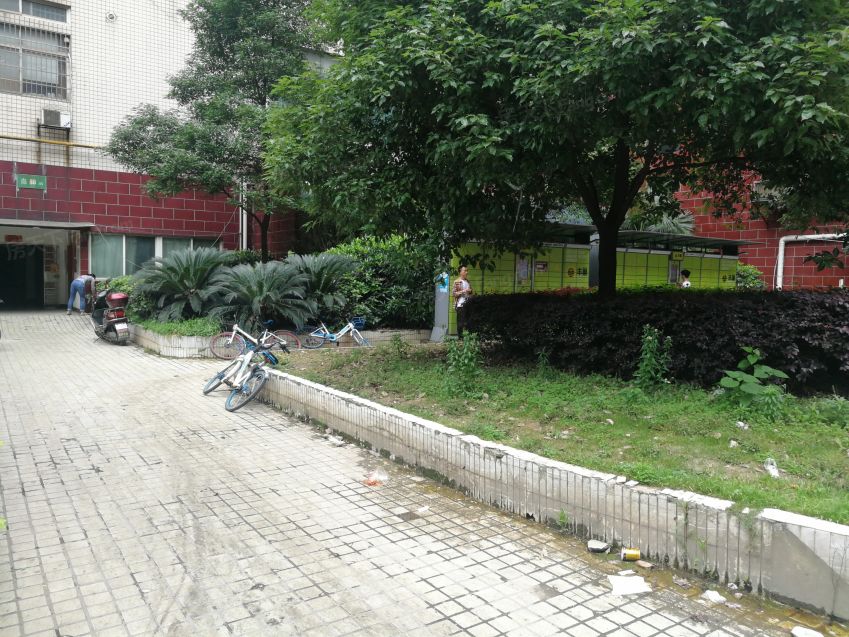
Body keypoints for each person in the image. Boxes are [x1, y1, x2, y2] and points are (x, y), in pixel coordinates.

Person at [453, 266, 474, 339]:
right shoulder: (457, 282)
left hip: (468, 303)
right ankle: (460, 338)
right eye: (465, 270)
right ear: (460, 272)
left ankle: (469, 337)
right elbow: (454, 294)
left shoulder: (468, 281)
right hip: (460, 304)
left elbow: (471, 292)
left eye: (467, 271)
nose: (466, 272)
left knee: (469, 322)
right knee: (460, 322)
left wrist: (470, 291)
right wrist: (464, 291)